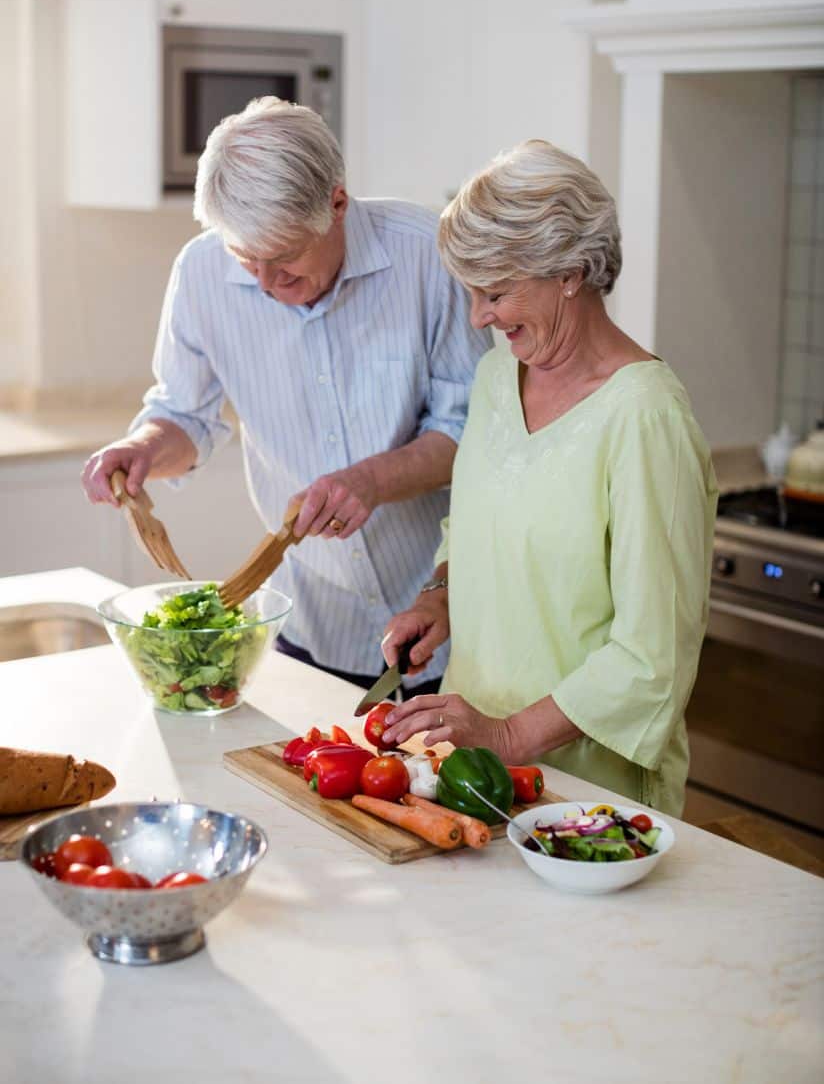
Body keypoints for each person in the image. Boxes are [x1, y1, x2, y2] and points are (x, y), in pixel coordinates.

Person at [82, 98, 491, 692]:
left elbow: (470, 433)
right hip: (308, 616)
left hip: (443, 612)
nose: (268, 286)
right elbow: (183, 415)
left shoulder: (427, 253)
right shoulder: (199, 273)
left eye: (286, 261)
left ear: (338, 204)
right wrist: (144, 447)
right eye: (246, 261)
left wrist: (370, 481)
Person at [379, 139, 718, 815]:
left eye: (496, 292)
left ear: (570, 270)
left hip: (590, 799)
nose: (479, 316)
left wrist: (508, 734)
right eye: (471, 292)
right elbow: (473, 521)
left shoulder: (646, 417)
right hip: (475, 772)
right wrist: (440, 596)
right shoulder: (498, 376)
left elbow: (652, 658)